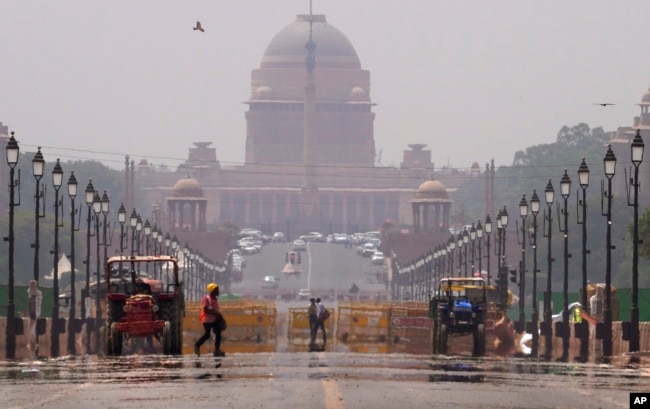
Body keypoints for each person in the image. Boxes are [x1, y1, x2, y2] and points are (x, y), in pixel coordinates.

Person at [194, 282, 225, 357]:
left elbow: (216, 310)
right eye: (217, 290)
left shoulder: (215, 299)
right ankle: (197, 344)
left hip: (215, 320)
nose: (218, 291)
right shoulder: (207, 298)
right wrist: (215, 313)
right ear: (213, 291)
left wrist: (219, 316)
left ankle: (217, 350)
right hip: (207, 320)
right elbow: (205, 309)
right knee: (207, 334)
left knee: (218, 333)